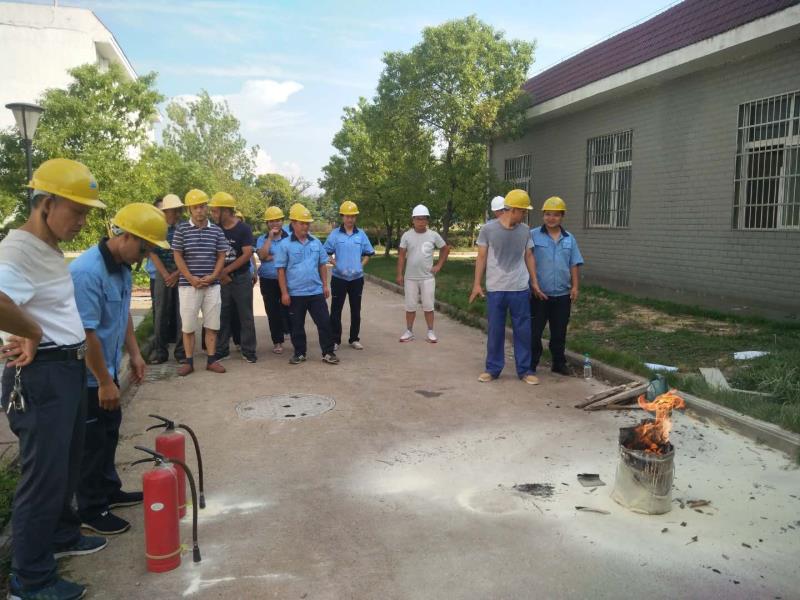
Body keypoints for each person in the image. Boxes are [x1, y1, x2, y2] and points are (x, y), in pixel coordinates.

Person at [0, 158, 107, 599]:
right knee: (43, 478)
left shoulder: (45, 248)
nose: (82, 222)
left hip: (64, 369)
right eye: (76, 211)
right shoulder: (18, 250)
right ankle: (30, 580)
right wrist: (32, 331)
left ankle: (62, 535)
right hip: (41, 374)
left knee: (65, 466)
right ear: (46, 203)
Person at [70, 203, 168, 536]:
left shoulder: (122, 268)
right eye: (144, 249)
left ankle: (109, 490)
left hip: (107, 367)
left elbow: (123, 314)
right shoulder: (88, 272)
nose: (144, 257)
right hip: (87, 375)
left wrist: (135, 354)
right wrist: (102, 381)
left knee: (108, 432)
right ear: (127, 236)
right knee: (91, 442)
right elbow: (86, 334)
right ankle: (91, 508)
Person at [469, 189, 543, 385]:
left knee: (523, 330)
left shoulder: (525, 230)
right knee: (495, 330)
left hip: (519, 288)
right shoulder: (488, 229)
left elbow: (529, 256)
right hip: (496, 288)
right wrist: (476, 284)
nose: (525, 214)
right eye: (523, 211)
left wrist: (534, 282)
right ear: (513, 209)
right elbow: (481, 257)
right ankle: (492, 369)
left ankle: (525, 370)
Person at [171, 189, 229, 377]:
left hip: (212, 285)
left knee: (212, 324)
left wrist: (214, 276)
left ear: (207, 208)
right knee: (188, 326)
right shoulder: (181, 230)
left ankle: (211, 360)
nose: (200, 210)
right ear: (189, 209)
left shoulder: (216, 230)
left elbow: (221, 255)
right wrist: (190, 278)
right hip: (188, 286)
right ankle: (189, 362)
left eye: (202, 206)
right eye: (195, 207)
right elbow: (177, 255)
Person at [274, 203, 339, 365]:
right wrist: (284, 293)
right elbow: (280, 270)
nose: (305, 226)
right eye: (302, 223)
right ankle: (299, 353)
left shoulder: (316, 242)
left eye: (307, 223)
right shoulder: (285, 244)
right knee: (296, 326)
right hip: (295, 293)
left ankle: (328, 352)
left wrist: (325, 285)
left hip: (315, 291)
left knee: (324, 322)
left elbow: (322, 265)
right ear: (293, 223)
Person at [530, 196, 584, 376]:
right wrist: (532, 284)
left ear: (562, 217)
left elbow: (574, 263)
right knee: (534, 332)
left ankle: (558, 363)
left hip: (562, 295)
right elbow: (526, 259)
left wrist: (575, 287)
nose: (551, 218)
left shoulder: (569, 239)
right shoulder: (533, 235)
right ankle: (531, 363)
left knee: (559, 333)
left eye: (555, 215)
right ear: (543, 215)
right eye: (547, 214)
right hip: (538, 294)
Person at [208, 192, 257, 364]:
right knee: (222, 314)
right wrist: (219, 274)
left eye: (215, 211)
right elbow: (212, 253)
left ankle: (249, 350)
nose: (213, 214)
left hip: (241, 277)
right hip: (221, 280)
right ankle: (221, 350)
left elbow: (247, 254)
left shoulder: (243, 229)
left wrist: (226, 270)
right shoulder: (215, 229)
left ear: (226, 211)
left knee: (245, 315)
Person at [324, 200, 375, 351]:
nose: (350, 219)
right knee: (336, 310)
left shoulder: (361, 234)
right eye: (347, 216)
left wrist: (361, 265)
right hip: (339, 278)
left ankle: (354, 339)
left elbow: (369, 253)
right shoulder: (335, 234)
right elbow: (326, 252)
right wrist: (336, 264)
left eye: (352, 216)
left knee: (356, 310)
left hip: (356, 279)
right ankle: (335, 340)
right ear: (342, 217)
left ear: (355, 217)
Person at [395, 204, 450, 343]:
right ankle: (409, 331)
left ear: (427, 220)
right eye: (418, 219)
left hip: (427, 278)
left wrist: (439, 265)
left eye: (424, 218)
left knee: (428, 306)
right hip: (410, 278)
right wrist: (399, 274)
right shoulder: (407, 235)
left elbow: (445, 249)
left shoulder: (433, 235)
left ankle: (430, 331)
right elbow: (401, 256)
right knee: (410, 306)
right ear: (413, 220)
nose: (421, 221)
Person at [147, 194, 186, 364]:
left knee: (182, 313)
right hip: (162, 272)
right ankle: (160, 351)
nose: (176, 213)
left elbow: (188, 253)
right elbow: (152, 252)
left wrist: (177, 273)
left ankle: (181, 352)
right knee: (160, 312)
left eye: (178, 210)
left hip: (181, 272)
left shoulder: (184, 228)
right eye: (173, 210)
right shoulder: (157, 228)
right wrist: (165, 275)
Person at [256, 206, 291, 354]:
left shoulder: (290, 237)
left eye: (277, 220)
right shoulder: (262, 239)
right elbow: (262, 256)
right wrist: (270, 239)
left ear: (282, 221)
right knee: (272, 311)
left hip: (287, 279)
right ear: (267, 223)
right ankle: (277, 341)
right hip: (268, 279)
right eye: (271, 221)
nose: (274, 223)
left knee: (288, 309)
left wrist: (272, 256)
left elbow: (292, 256)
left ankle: (289, 332)